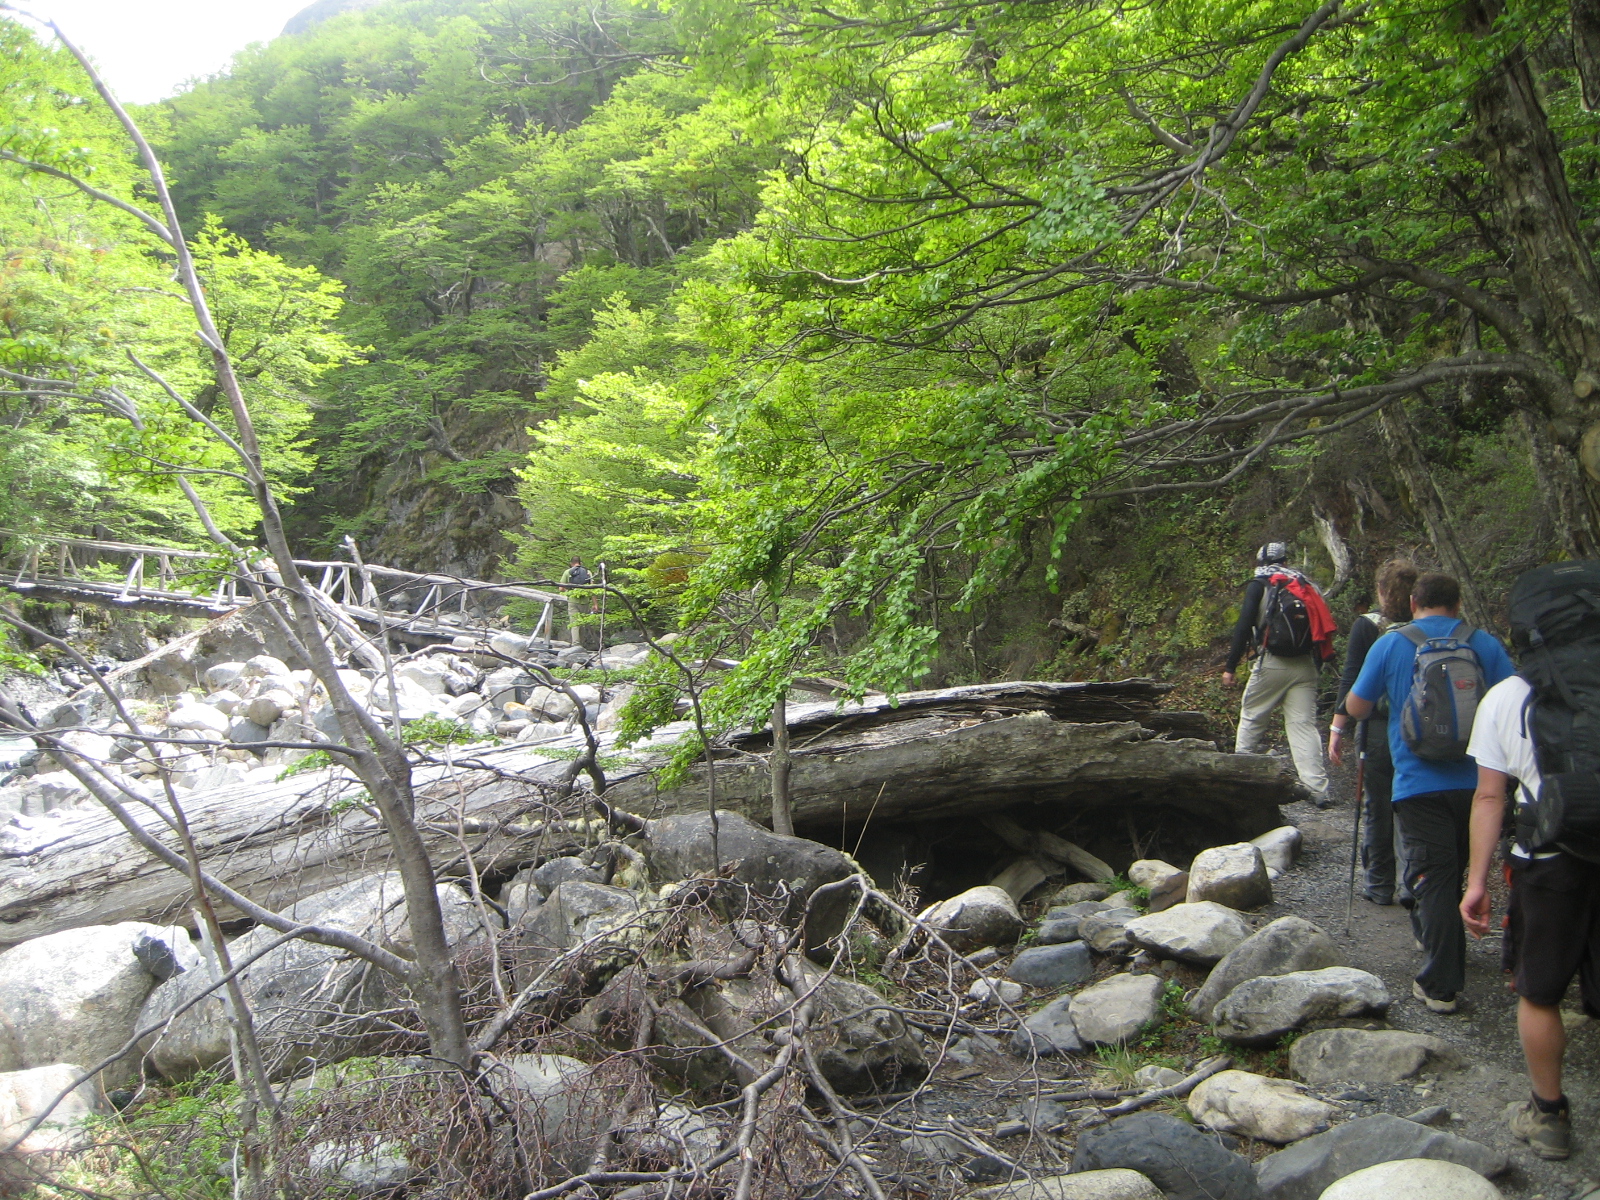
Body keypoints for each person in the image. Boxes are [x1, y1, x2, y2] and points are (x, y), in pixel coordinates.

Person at [1460, 570, 1600, 1161]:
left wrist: (1475, 881)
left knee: (1539, 991)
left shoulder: (1507, 698)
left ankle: (1548, 1116)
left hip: (1548, 861)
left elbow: (1491, 797)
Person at [1346, 572, 1514, 1013]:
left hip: (1418, 783)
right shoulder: (1486, 645)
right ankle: (1452, 946)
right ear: (1457, 605)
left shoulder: (1391, 643)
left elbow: (1357, 706)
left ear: (1413, 602)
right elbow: (1513, 700)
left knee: (1434, 879)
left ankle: (1441, 984)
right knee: (1456, 871)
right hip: (1480, 786)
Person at [1328, 558, 1418, 906]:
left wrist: (1338, 726)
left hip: (1377, 729)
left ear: (1382, 592)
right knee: (1413, 804)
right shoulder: (1428, 627)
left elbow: (1351, 678)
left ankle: (1380, 884)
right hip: (1421, 730)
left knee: (1377, 805)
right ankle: (1414, 881)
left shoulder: (1368, 627)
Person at [1223, 542, 1336, 806]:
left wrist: (1230, 667)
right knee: (1304, 727)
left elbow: (1243, 628)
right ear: (1285, 560)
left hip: (1271, 662)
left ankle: (1238, 778)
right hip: (1306, 665)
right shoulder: (1304, 584)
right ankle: (1317, 789)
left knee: (1252, 716)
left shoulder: (1259, 584)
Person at [559, 556, 593, 641]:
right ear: (580, 563)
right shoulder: (587, 572)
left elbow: (561, 588)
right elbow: (592, 589)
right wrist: (595, 604)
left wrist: (569, 591)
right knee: (582, 623)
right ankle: (582, 644)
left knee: (574, 624)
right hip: (585, 601)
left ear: (571, 564)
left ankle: (576, 644)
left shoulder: (567, 572)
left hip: (573, 600)